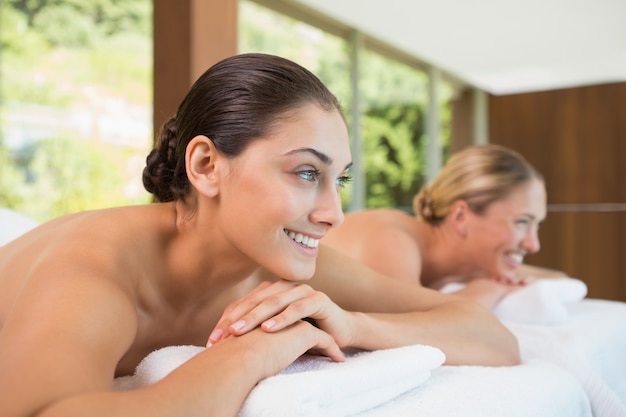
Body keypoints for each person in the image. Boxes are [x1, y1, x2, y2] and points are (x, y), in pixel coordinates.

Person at [0, 53, 519, 417]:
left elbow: (492, 338)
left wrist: (351, 324)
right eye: (306, 173)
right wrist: (249, 354)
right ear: (206, 165)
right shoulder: (93, 270)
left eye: (338, 179)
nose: (334, 214)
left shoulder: (274, 264)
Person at [324, 144, 567, 309]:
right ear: (461, 216)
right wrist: (483, 292)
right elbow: (417, 327)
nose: (533, 245)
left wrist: (492, 279)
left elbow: (561, 280)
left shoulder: (473, 266)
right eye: (522, 222)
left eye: (537, 225)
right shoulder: (391, 238)